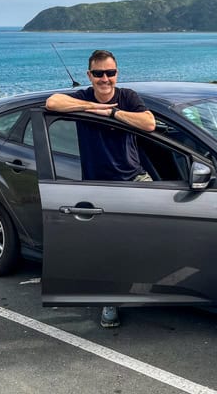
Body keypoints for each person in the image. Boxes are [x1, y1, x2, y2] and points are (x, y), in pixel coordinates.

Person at [45, 49, 156, 327]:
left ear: (117, 73)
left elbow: (149, 123)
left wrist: (115, 113)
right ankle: (110, 301)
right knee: (109, 247)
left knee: (166, 223)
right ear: (89, 76)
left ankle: (158, 281)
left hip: (134, 178)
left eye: (110, 73)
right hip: (98, 187)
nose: (105, 79)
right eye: (98, 74)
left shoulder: (127, 97)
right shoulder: (83, 97)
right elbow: (52, 102)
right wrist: (93, 109)